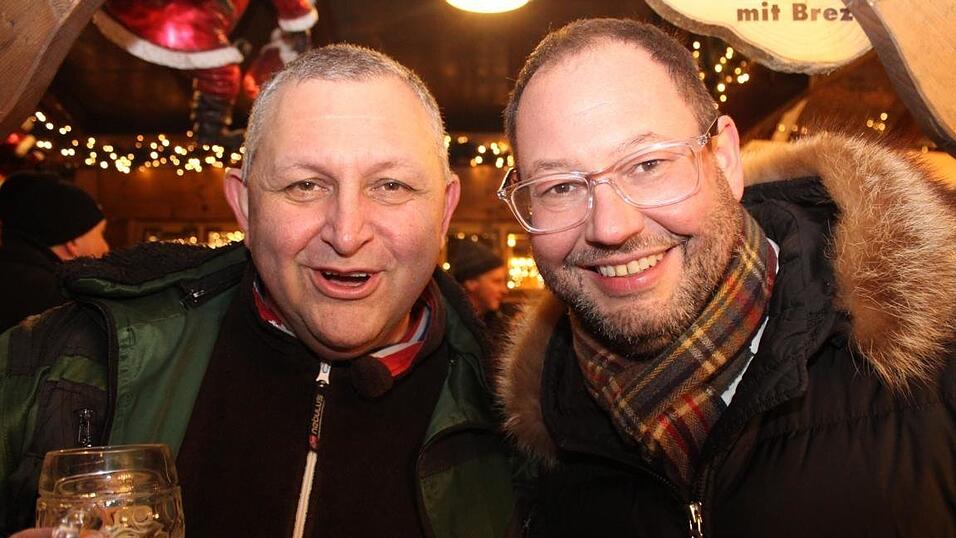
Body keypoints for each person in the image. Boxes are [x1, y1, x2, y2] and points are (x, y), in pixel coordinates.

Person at [0, 44, 517, 537]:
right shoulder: (69, 357)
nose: (346, 231)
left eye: (391, 186)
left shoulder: (523, 416)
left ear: (443, 210)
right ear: (245, 207)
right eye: (305, 186)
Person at [495, 18, 956, 537]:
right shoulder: (534, 442)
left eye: (647, 164)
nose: (610, 227)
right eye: (559, 187)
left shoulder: (937, 358)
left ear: (725, 159)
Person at [0, 172, 109, 333]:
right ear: (73, 241)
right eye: (101, 234)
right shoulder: (60, 302)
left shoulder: (12, 274)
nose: (106, 247)